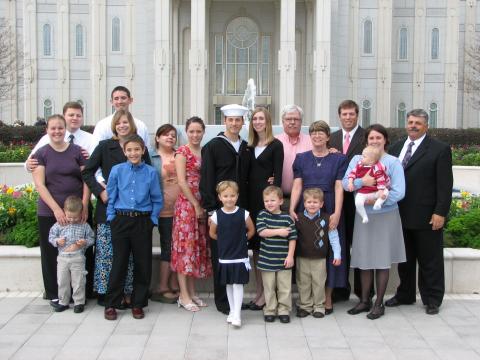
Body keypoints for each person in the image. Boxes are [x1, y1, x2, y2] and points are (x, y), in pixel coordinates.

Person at [26, 101, 98, 299]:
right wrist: (57, 210)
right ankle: (54, 293)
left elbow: (86, 179)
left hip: (78, 210)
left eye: (60, 128)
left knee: (83, 247)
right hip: (50, 210)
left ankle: (83, 292)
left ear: (65, 129)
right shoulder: (41, 153)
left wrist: (84, 205)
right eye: (53, 128)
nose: (57, 131)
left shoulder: (78, 151)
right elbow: (40, 184)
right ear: (47, 130)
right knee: (52, 252)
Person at [386, 109, 453, 315]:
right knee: (404, 260)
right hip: (400, 214)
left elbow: (445, 184)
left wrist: (440, 212)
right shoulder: (397, 147)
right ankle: (405, 294)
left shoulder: (439, 149)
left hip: (427, 215)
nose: (413, 125)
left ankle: (432, 298)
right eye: (410, 122)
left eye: (418, 123)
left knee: (429, 260)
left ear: (426, 126)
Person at [82, 110, 150, 307]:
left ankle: (129, 293)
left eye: (126, 122)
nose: (122, 125)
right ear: (114, 125)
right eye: (119, 122)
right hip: (109, 209)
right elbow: (87, 172)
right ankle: (109, 295)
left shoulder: (138, 147)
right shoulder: (105, 147)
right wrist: (99, 191)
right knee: (109, 255)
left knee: (129, 258)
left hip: (133, 213)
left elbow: (147, 175)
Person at [343, 124, 406, 320]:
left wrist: (372, 199)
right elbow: (346, 183)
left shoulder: (393, 162)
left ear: (385, 140)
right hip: (364, 218)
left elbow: (398, 192)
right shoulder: (357, 160)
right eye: (371, 138)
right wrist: (364, 183)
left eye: (379, 138)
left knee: (382, 260)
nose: (375, 141)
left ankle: (379, 303)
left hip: (385, 216)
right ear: (366, 140)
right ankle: (364, 300)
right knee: (364, 259)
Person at [289, 120, 348, 315]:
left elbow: (339, 186)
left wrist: (337, 212)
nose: (317, 136)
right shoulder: (301, 158)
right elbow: (297, 185)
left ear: (328, 136)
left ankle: (326, 297)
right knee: (307, 246)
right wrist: (291, 209)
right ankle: (306, 300)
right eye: (313, 132)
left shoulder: (338, 159)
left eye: (321, 132)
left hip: (329, 204)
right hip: (306, 206)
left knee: (330, 249)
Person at [103, 135, 163, 320]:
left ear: (143, 150)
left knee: (142, 264)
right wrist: (111, 217)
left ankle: (138, 303)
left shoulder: (151, 172)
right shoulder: (116, 170)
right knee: (119, 262)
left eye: (137, 149)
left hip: (142, 222)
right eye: (129, 150)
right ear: (124, 151)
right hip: (120, 220)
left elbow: (157, 198)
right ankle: (112, 303)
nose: (133, 153)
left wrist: (152, 219)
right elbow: (111, 195)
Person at [199, 104, 251, 314]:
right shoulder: (213, 146)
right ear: (225, 122)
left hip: (240, 211)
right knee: (220, 254)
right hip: (220, 211)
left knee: (237, 255)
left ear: (242, 122)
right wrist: (212, 209)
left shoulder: (246, 147)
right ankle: (223, 302)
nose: (234, 123)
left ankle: (236, 300)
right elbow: (207, 179)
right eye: (231, 120)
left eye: (238, 120)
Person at [172, 117, 212, 312]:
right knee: (185, 250)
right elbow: (181, 181)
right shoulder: (182, 152)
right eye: (192, 131)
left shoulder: (205, 151)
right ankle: (183, 295)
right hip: (187, 205)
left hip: (201, 203)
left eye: (198, 131)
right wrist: (195, 204)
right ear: (186, 132)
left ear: (203, 132)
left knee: (196, 248)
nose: (195, 135)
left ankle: (193, 292)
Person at [247, 107, 284, 311]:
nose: (258, 122)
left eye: (261, 118)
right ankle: (260, 292)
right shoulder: (249, 146)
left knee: (266, 250)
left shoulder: (276, 145)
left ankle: (269, 295)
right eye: (254, 119)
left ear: (268, 121)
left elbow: (277, 176)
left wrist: (273, 205)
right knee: (255, 249)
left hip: (267, 203)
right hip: (251, 203)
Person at [329, 99, 365, 300]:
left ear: (357, 115)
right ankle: (340, 289)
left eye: (352, 114)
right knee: (339, 244)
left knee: (359, 245)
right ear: (339, 116)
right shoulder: (332, 138)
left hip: (360, 202)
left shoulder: (366, 137)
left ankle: (362, 292)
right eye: (345, 114)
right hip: (336, 202)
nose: (348, 117)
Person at [209, 181, 255, 328]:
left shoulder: (244, 213)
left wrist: (242, 240)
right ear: (220, 197)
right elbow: (212, 233)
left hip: (239, 254)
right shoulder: (217, 215)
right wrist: (224, 241)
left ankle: (237, 314)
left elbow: (251, 230)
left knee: (237, 283)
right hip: (225, 255)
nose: (229, 199)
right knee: (229, 283)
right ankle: (232, 310)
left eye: (232, 196)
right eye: (226, 196)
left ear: (237, 196)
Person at [295, 188, 341, 318]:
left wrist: (337, 254)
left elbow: (334, 238)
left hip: (319, 259)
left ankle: (319, 307)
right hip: (302, 257)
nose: (312, 204)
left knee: (319, 283)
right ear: (304, 203)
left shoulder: (327, 218)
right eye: (309, 202)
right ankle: (305, 306)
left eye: (315, 202)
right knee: (303, 282)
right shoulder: (298, 218)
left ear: (321, 204)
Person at [256, 186, 297, 324]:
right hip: (267, 260)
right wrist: (279, 231)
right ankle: (270, 309)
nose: (269, 203)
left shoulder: (287, 218)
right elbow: (262, 232)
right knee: (269, 287)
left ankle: (284, 310)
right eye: (266, 200)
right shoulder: (262, 215)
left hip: (283, 260)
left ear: (280, 201)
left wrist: (290, 256)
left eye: (272, 200)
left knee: (284, 287)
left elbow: (292, 238)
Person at [149, 124, 180, 303]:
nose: (170, 138)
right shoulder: (151, 158)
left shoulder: (179, 155)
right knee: (168, 245)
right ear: (157, 138)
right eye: (166, 135)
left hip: (181, 210)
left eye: (173, 135)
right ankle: (162, 286)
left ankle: (174, 283)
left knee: (178, 247)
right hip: (162, 210)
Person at [48, 196, 95, 313]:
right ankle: (63, 301)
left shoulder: (84, 226)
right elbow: (51, 237)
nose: (72, 220)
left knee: (78, 281)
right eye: (69, 217)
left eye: (76, 217)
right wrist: (57, 241)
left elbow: (91, 238)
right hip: (63, 257)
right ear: (64, 211)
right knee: (62, 281)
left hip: (78, 257)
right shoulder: (59, 224)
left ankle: (79, 302)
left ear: (81, 213)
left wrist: (85, 242)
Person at [275, 104, 312, 205]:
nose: (292, 122)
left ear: (301, 121)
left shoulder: (312, 142)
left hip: (306, 200)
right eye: (288, 119)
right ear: (282, 121)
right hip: (278, 200)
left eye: (296, 119)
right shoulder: (273, 142)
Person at [347, 145, 390, 223]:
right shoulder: (359, 165)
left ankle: (378, 203)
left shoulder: (376, 168)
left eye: (364, 156)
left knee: (386, 191)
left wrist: (381, 191)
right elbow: (352, 174)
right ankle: (364, 216)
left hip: (375, 191)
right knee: (358, 202)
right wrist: (350, 182)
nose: (361, 158)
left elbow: (381, 180)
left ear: (371, 161)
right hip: (364, 192)